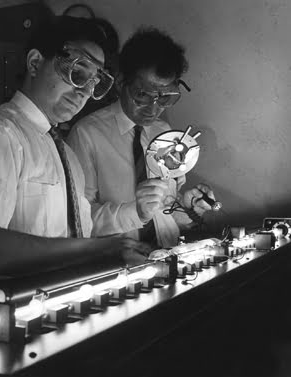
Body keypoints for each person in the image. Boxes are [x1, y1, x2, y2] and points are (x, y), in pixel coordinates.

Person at [0, 15, 148, 277]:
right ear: (35, 63)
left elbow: (77, 233)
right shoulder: (1, 134)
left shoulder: (67, 155)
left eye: (95, 82)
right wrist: (95, 250)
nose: (85, 91)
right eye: (77, 72)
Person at [67, 27, 215, 249]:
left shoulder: (163, 132)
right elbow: (78, 220)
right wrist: (135, 213)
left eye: (165, 97)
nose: (153, 109)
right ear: (120, 83)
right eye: (143, 95)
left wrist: (189, 207)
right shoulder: (86, 134)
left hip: (168, 254)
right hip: (116, 265)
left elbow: (165, 213)